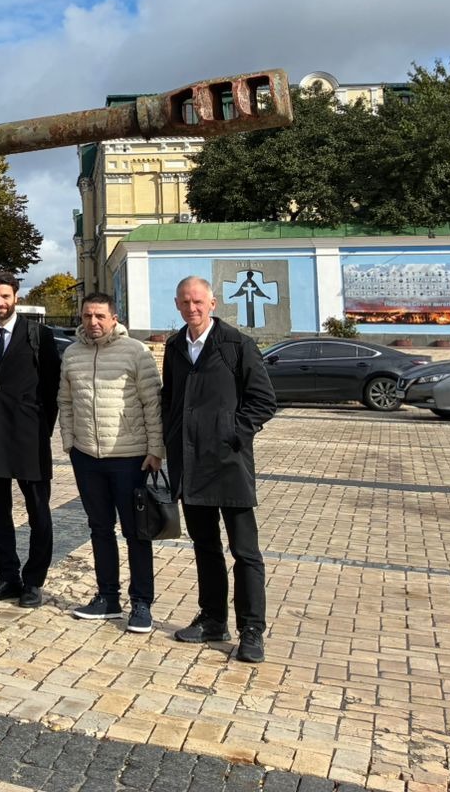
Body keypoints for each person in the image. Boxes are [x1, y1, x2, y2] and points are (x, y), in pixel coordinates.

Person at [161, 275, 277, 662]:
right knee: (205, 547)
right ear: (177, 305)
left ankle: (252, 630)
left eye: (198, 301)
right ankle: (213, 619)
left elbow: (263, 401)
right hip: (190, 465)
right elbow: (171, 400)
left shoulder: (237, 345)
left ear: (212, 303)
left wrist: (232, 434)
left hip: (229, 463)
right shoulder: (175, 346)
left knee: (245, 551)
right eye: (184, 302)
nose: (191, 308)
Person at [59, 293, 164, 633]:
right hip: (87, 457)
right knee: (100, 528)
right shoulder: (72, 354)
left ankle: (142, 603)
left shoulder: (135, 351)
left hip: (130, 457)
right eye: (88, 315)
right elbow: (66, 400)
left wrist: (155, 448)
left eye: (100, 315)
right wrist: (70, 442)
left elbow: (152, 403)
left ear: (114, 317)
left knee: (136, 533)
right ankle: (107, 597)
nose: (93, 322)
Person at [0, 272, 61, 608]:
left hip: (28, 437)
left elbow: (52, 387)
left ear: (16, 297)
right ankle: (7, 574)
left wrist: (41, 429)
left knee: (38, 510)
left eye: (5, 296)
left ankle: (34, 580)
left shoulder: (39, 335)